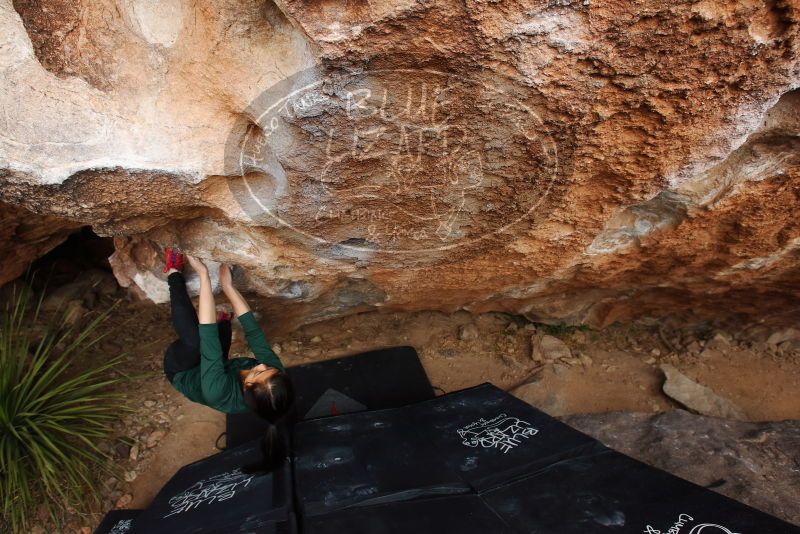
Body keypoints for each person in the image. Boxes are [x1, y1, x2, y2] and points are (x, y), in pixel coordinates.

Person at [162, 247, 293, 471]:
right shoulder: (273, 377)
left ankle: (172, 272)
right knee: (222, 330)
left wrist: (203, 275)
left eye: (259, 372)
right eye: (270, 370)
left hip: (183, 371)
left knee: (197, 341)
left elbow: (207, 333)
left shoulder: (218, 392)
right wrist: (228, 287)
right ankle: (224, 323)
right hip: (219, 366)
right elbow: (254, 333)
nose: (263, 365)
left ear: (248, 386)